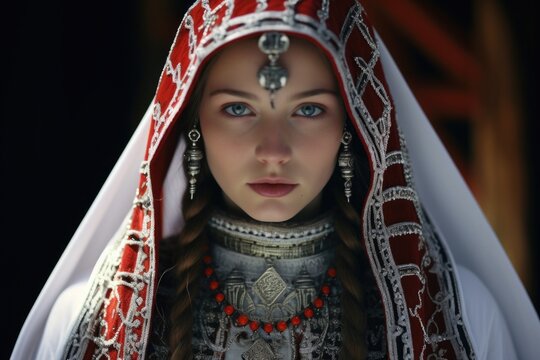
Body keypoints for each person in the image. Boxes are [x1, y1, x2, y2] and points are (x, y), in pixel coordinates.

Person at [11, 0, 540, 359]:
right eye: (238, 109)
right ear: (191, 127)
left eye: (308, 110)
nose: (273, 151)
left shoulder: (457, 315)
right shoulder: (95, 320)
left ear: (353, 128)